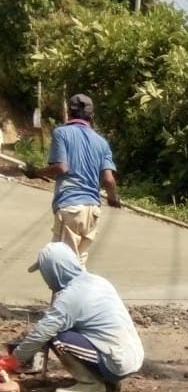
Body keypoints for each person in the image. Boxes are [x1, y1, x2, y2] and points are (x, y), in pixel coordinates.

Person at [2, 242, 144, 392]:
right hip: (131, 355)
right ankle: (106, 378)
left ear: (54, 271)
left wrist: (13, 360)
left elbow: (42, 332)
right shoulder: (97, 281)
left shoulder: (70, 297)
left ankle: (91, 383)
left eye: (45, 272)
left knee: (54, 336)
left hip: (116, 363)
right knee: (64, 329)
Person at [24, 94, 120, 268]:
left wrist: (36, 172)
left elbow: (61, 168)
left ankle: (57, 283)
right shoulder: (102, 143)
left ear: (69, 113)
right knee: (78, 261)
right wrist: (113, 198)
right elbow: (109, 180)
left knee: (63, 264)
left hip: (71, 207)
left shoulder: (62, 133)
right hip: (92, 210)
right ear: (92, 116)